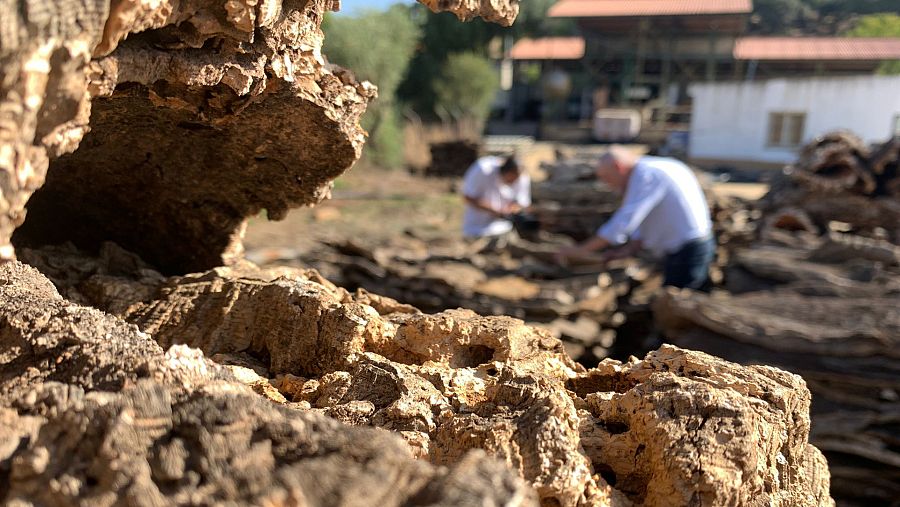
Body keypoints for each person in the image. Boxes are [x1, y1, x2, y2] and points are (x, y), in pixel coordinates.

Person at [555, 147, 715, 290]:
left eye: (607, 177)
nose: (607, 184)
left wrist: (580, 250)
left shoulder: (647, 175)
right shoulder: (655, 168)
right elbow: (647, 219)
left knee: (677, 308)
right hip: (686, 249)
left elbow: (623, 223)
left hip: (688, 252)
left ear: (619, 167)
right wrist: (627, 250)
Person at [461, 155, 531, 246]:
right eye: (511, 179)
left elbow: (521, 202)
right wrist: (496, 211)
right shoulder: (483, 169)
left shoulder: (522, 176)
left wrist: (511, 210)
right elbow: (468, 197)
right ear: (506, 172)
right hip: (477, 229)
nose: (514, 183)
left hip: (505, 229)